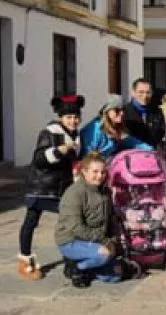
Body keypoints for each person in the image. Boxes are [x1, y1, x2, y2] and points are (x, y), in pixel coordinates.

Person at [17, 95, 85, 280]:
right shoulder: (48, 133)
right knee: (32, 221)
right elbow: (38, 159)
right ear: (61, 117)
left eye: (76, 117)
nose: (73, 120)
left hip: (61, 187)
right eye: (69, 117)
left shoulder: (76, 135)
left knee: (69, 219)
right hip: (42, 187)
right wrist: (57, 151)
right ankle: (25, 261)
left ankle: (72, 258)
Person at [55, 152, 139, 288]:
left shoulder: (105, 192)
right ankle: (77, 266)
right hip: (71, 240)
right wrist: (104, 241)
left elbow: (110, 219)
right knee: (104, 254)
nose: (100, 176)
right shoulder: (74, 193)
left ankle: (87, 272)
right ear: (84, 171)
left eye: (103, 172)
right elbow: (75, 228)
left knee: (116, 276)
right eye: (95, 172)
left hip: (95, 240)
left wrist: (114, 239)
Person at [80, 95, 152, 159]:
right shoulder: (95, 130)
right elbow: (87, 156)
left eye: (123, 109)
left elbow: (131, 141)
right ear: (107, 111)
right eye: (117, 110)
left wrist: (151, 150)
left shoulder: (116, 126)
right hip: (92, 168)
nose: (122, 113)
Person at [124, 78, 166, 150]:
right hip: (130, 155)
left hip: (151, 155)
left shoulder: (157, 112)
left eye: (148, 92)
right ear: (133, 92)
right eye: (141, 92)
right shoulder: (124, 112)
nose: (145, 96)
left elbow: (161, 133)